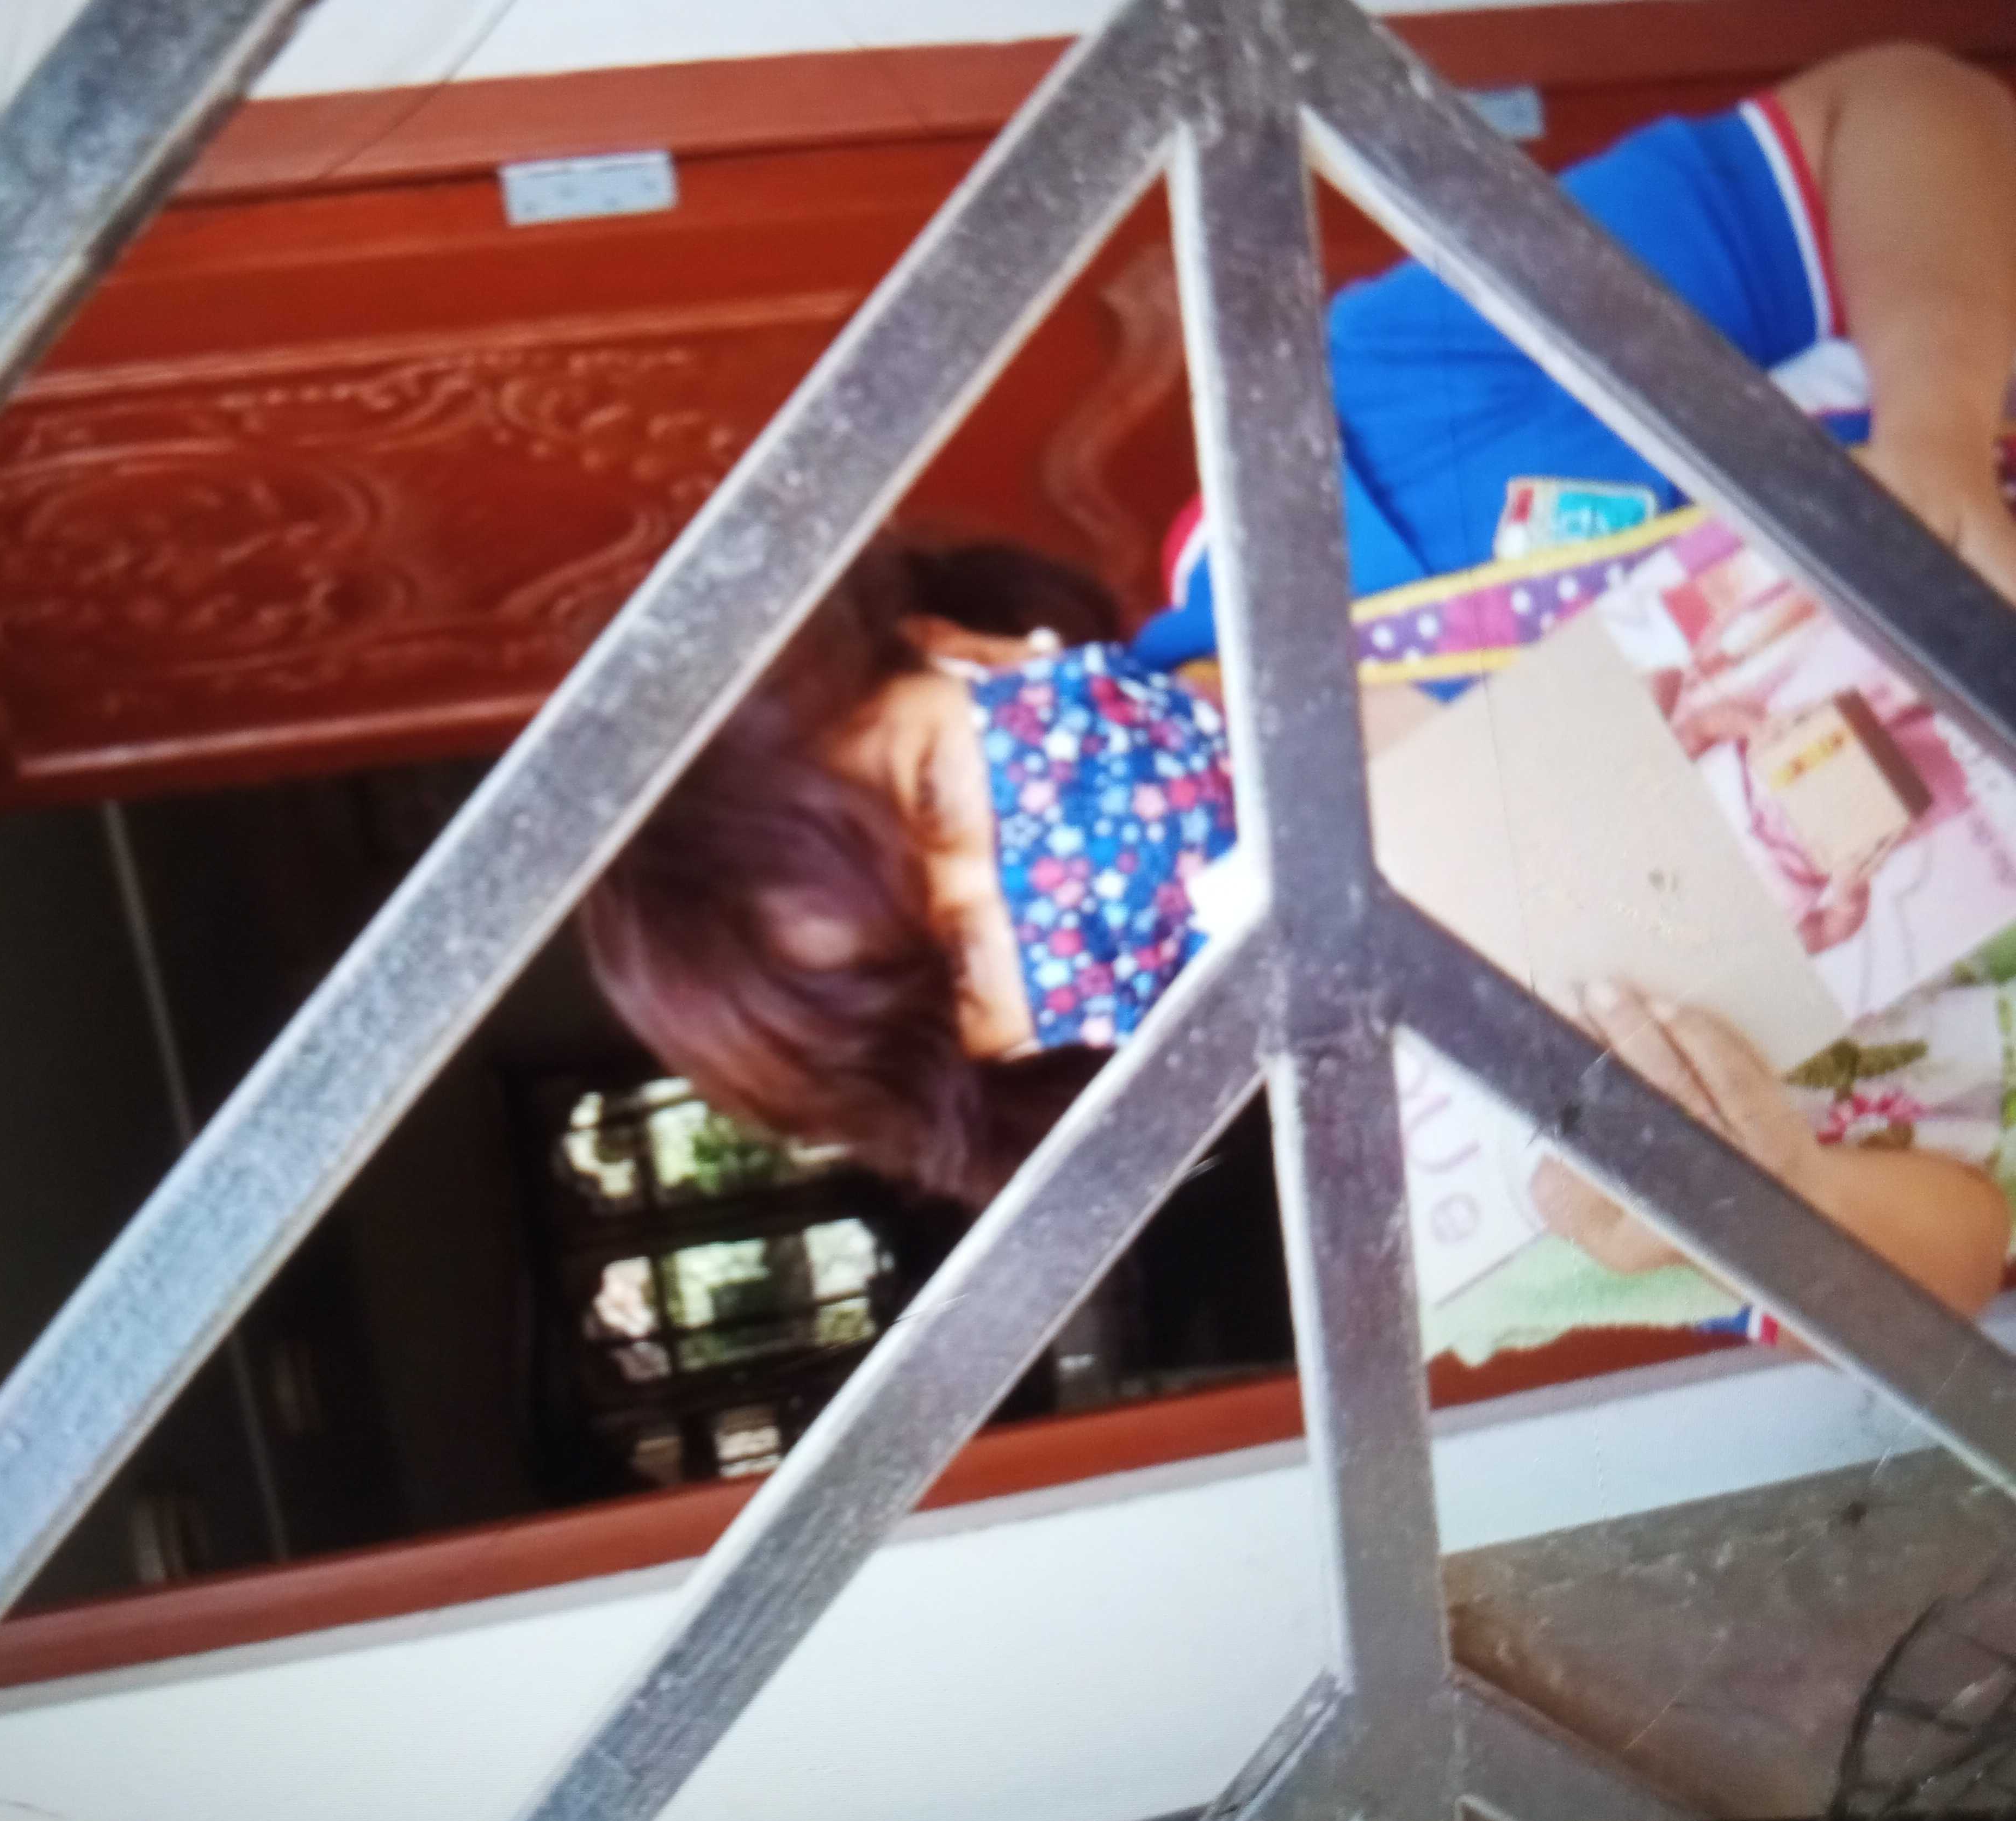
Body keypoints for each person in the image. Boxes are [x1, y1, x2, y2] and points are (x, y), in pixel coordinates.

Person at [584, 44, 2016, 1321]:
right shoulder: (1403, 1147)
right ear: (1015, 1054)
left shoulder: (1342, 441)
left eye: (931, 793)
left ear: (957, 649)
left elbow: (1901, 115)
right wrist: (1777, 1204)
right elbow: (1976, 1259)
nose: (1020, 875)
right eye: (962, 961)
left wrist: (1939, 433)